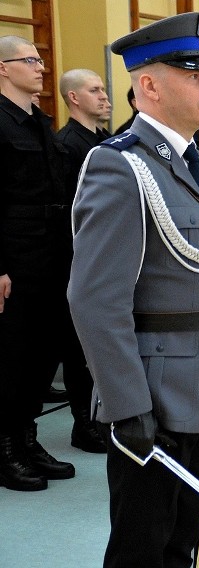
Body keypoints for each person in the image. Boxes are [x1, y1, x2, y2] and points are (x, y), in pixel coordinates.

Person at [67, 13, 199, 567]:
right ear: (149, 85)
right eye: (194, 72)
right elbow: (96, 299)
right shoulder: (118, 165)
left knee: (182, 543)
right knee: (142, 548)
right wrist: (127, 405)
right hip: (156, 394)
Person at [0, 35, 75, 492]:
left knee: (43, 353)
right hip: (14, 259)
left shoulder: (39, 122)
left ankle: (27, 438)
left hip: (50, 256)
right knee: (11, 357)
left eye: (41, 59)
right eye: (30, 60)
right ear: (3, 68)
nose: (41, 67)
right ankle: (6, 448)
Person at [56, 68, 112, 454]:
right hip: (79, 257)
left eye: (104, 89)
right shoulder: (67, 146)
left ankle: (101, 415)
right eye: (95, 90)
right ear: (74, 98)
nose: (105, 97)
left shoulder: (104, 142)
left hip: (107, 255)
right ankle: (84, 423)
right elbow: (70, 211)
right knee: (80, 346)